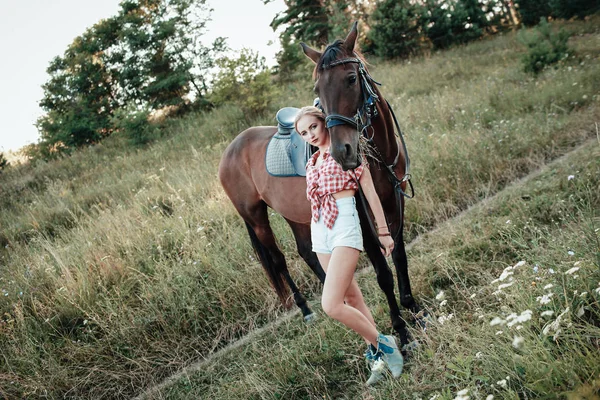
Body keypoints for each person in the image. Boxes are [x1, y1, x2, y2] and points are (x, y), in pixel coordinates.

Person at [294, 106, 404, 385]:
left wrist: (383, 231)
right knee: (350, 299)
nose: (310, 136)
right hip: (320, 231)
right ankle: (379, 356)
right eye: (304, 133)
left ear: (324, 123)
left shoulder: (345, 150)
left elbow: (370, 193)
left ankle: (384, 343)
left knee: (330, 305)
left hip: (344, 224)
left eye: (313, 128)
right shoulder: (312, 162)